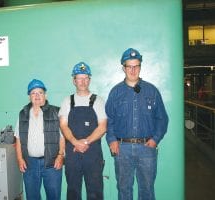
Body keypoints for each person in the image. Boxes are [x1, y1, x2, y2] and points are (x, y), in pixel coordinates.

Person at [105, 48, 169, 200]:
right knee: (123, 189)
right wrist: (112, 139)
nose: (133, 70)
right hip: (122, 149)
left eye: (136, 66)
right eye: (129, 66)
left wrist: (155, 139)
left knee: (147, 189)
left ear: (140, 66)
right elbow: (108, 119)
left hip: (146, 148)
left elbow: (162, 118)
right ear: (123, 68)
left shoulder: (152, 91)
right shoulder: (116, 92)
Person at [59, 62, 107, 200]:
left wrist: (85, 142)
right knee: (73, 191)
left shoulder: (98, 101)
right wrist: (75, 142)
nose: (82, 81)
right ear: (74, 80)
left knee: (95, 191)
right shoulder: (67, 101)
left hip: (93, 154)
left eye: (86, 78)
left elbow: (103, 126)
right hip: (73, 154)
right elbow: (63, 126)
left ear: (89, 80)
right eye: (79, 78)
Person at [14, 79, 65, 200]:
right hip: (29, 164)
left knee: (54, 196)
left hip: (52, 164)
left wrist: (60, 156)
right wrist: (20, 159)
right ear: (29, 97)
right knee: (32, 197)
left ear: (45, 95)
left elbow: (62, 137)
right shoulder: (23, 114)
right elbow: (18, 139)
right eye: (33, 93)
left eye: (40, 92)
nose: (37, 96)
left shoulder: (56, 112)